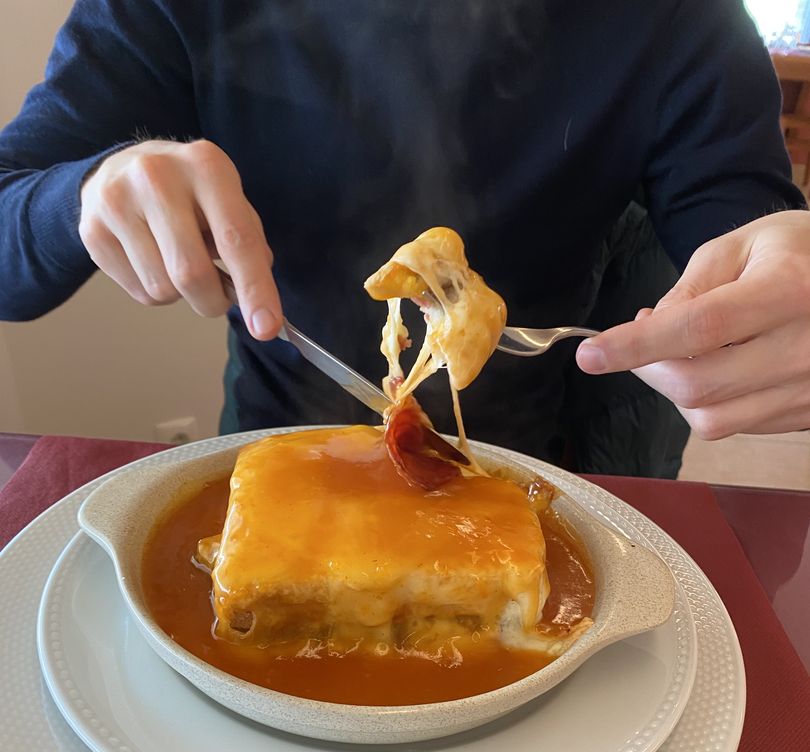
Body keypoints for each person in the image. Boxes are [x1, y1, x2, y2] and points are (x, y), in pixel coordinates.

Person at [0, 0, 807, 477]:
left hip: (527, 459)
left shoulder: (679, 21)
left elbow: (748, 234)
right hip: (273, 446)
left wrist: (782, 280)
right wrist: (83, 193)